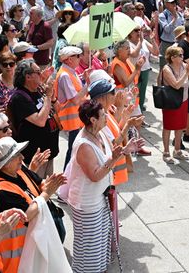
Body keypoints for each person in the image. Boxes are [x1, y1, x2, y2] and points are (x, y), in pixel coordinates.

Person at [0, 137, 67, 272]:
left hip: (31, 246)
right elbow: (26, 215)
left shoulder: (18, 169)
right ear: (6, 163)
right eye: (17, 155)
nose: (22, 157)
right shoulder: (2, 189)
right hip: (17, 256)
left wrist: (49, 185)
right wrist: (46, 194)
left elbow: (38, 183)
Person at [67, 99, 131, 273]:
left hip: (100, 198)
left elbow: (113, 148)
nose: (106, 118)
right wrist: (113, 160)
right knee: (89, 248)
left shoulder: (100, 133)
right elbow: (95, 175)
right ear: (92, 120)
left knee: (101, 244)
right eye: (103, 115)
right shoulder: (83, 145)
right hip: (87, 203)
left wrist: (127, 149)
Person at [8, 60, 59, 177]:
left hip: (48, 152)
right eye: (38, 72)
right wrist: (47, 97)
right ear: (28, 76)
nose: (41, 74)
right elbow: (40, 121)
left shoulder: (39, 90)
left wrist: (53, 97)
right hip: (35, 157)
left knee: (47, 188)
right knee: (37, 190)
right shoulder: (19, 97)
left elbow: (58, 109)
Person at [158, 45, 189, 162]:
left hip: (183, 100)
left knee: (180, 126)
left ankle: (177, 150)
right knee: (168, 126)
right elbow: (176, 85)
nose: (183, 57)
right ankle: (166, 152)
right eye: (180, 55)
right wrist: (186, 73)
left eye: (182, 54)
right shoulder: (166, 69)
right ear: (172, 57)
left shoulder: (184, 66)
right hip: (170, 102)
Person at [53, 46, 90, 168]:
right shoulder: (65, 75)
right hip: (70, 120)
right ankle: (66, 177)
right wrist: (87, 86)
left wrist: (83, 80)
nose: (80, 58)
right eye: (77, 56)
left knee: (74, 149)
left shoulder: (69, 72)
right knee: (73, 150)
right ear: (69, 59)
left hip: (75, 119)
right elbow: (75, 100)